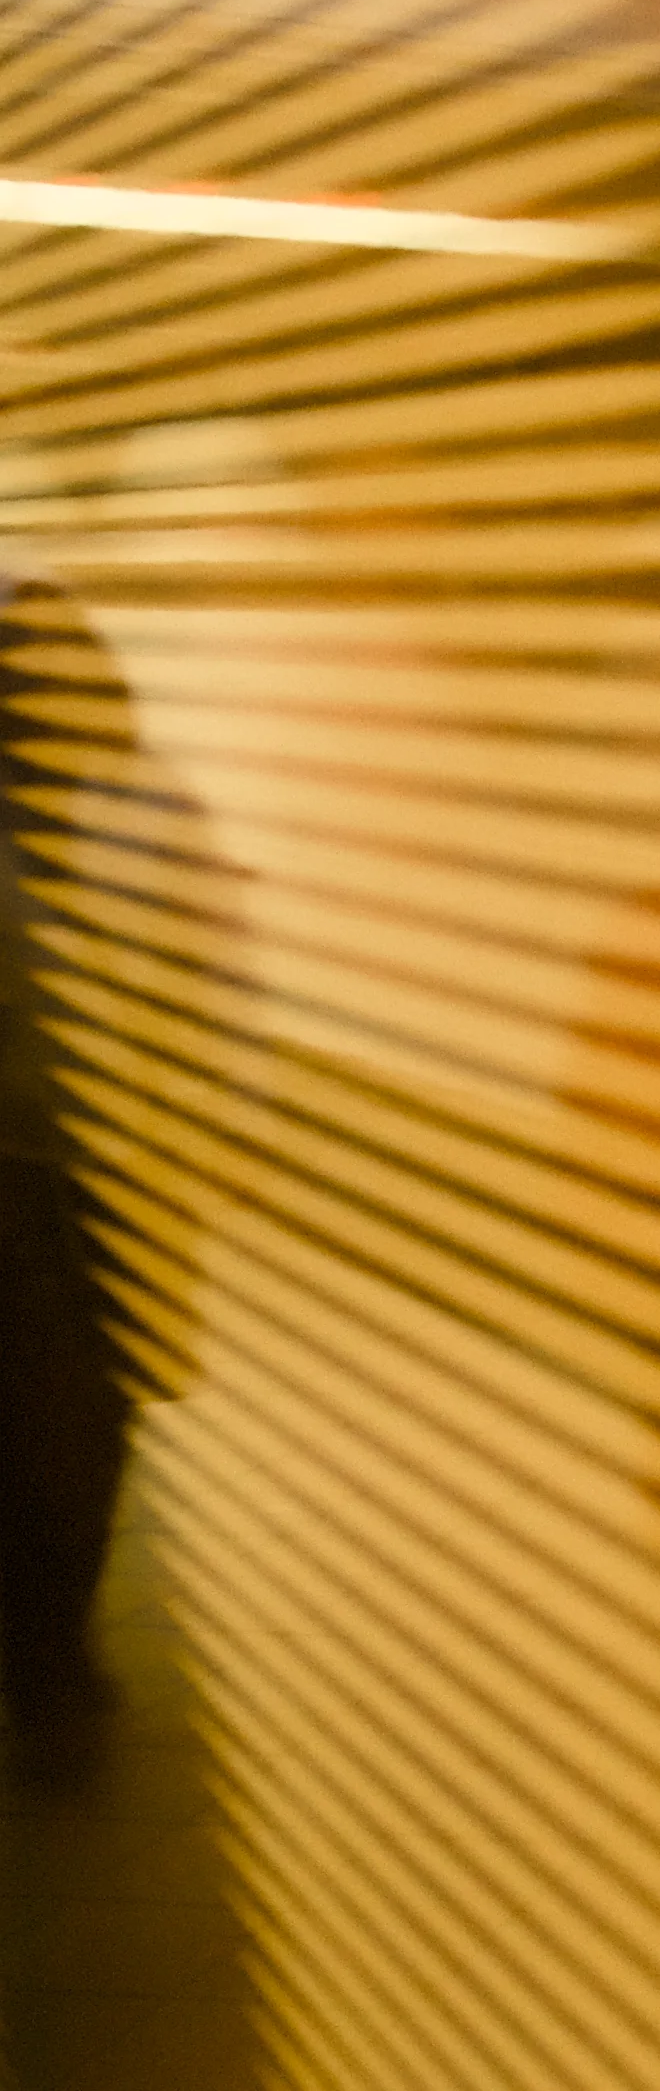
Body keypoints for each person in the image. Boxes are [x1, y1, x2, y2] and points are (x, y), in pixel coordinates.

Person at [0, 574, 157, 1789]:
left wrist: (219, 1140)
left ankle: (51, 1644)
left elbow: (210, 985)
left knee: (89, 1425)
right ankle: (47, 1668)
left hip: (86, 1174)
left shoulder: (137, 817)